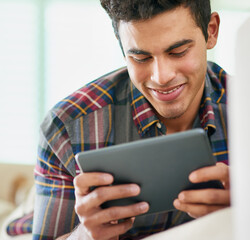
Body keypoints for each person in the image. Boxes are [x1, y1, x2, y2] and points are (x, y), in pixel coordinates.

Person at [33, 0, 230, 239]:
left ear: (211, 31)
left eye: (178, 52)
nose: (161, 77)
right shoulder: (66, 128)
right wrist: (85, 235)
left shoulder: (242, 107)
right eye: (140, 58)